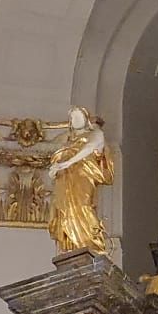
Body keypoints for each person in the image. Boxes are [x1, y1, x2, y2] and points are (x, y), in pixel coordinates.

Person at [47, 106, 114, 254]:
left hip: (84, 175)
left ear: (86, 119)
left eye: (79, 117)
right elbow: (56, 162)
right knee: (64, 210)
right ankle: (69, 246)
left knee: (83, 206)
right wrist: (55, 170)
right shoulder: (67, 142)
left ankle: (91, 244)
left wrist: (67, 163)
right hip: (65, 179)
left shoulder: (95, 134)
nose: (76, 120)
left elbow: (90, 148)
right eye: (73, 118)